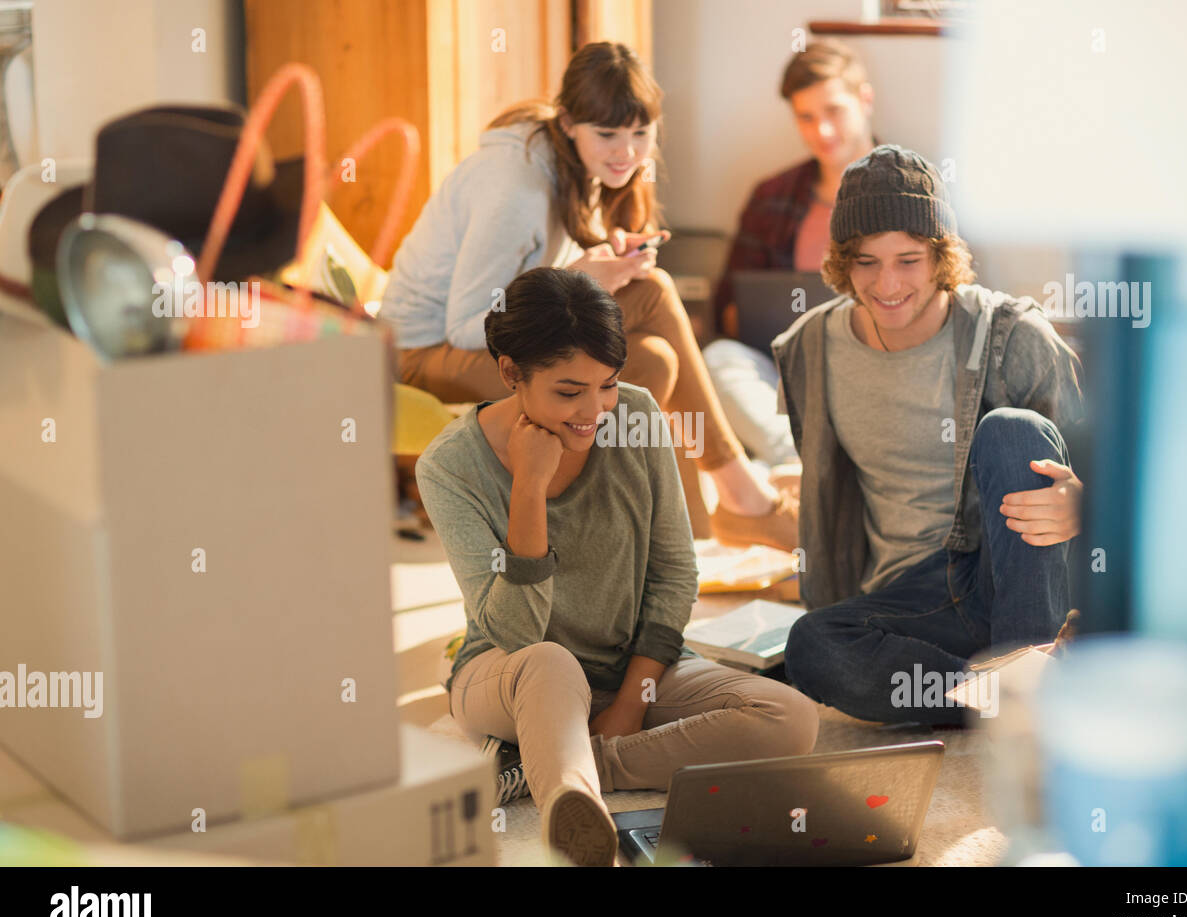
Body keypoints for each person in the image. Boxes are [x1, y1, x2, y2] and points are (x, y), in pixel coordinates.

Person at [417, 267, 820, 867]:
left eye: (607, 385)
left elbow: (675, 572)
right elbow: (516, 634)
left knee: (791, 718)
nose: (595, 410)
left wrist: (635, 698)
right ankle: (571, 799)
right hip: (510, 672)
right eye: (569, 391)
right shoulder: (449, 467)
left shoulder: (636, 415)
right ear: (510, 374)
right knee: (550, 662)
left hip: (628, 665)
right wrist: (528, 486)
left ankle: (550, 763)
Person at [384, 41, 796, 550]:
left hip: (496, 336)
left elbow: (536, 273)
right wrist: (580, 275)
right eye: (607, 134)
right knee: (653, 308)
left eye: (641, 133)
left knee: (652, 358)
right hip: (424, 355)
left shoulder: (570, 163)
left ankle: (675, 532)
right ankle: (732, 504)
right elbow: (467, 325)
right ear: (567, 123)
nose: (627, 151)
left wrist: (604, 256)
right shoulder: (516, 188)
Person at [774, 146, 1086, 724]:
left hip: (1007, 578)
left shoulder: (1012, 337)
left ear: (942, 256)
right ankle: (1003, 693)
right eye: (866, 262)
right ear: (844, 261)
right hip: (910, 602)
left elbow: (1114, 470)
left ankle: (1021, 666)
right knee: (811, 647)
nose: (886, 284)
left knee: (1012, 431)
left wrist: (1082, 504)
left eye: (908, 260)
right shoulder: (809, 349)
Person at [704, 40, 877, 470]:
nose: (822, 131)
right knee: (719, 360)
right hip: (784, 378)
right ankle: (803, 464)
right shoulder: (771, 198)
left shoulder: (913, 190)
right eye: (806, 117)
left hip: (873, 377)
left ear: (864, 99)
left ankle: (795, 469)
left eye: (834, 110)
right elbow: (727, 310)